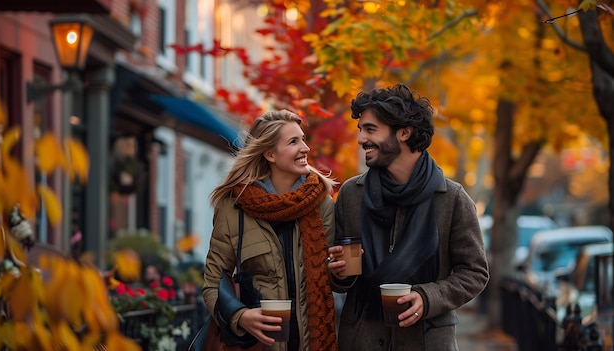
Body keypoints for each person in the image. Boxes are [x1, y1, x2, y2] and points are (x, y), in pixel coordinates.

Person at [327, 83, 489, 350]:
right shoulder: (351, 194)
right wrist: (340, 274)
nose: (360, 139)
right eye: (360, 130)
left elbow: (475, 273)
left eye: (370, 129)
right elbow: (341, 281)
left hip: (427, 339)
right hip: (362, 339)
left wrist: (427, 298)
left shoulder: (452, 198)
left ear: (404, 132)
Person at [203, 110, 339, 351]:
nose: (305, 148)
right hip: (258, 345)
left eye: (303, 139)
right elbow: (213, 282)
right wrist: (240, 316)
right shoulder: (233, 208)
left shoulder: (321, 203)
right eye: (293, 141)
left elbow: (333, 280)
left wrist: (342, 273)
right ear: (269, 154)